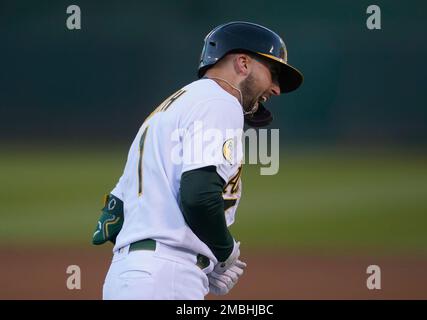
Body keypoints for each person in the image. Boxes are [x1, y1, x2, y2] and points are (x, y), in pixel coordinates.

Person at [92, 21, 303, 300]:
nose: (276, 88)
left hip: (130, 276)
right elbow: (199, 196)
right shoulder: (221, 102)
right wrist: (224, 252)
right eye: (273, 73)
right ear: (242, 63)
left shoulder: (172, 106)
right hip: (166, 279)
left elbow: (113, 215)